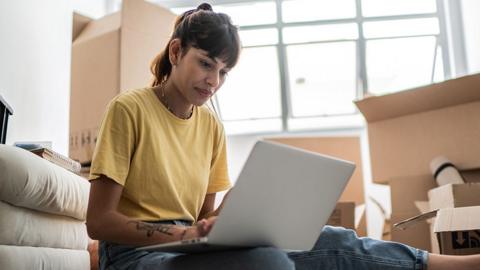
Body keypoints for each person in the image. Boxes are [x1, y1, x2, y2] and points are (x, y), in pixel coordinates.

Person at [86, 3, 480, 270]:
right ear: (176, 52)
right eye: (205, 63)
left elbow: (203, 219)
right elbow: (99, 222)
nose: (214, 81)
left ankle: (452, 265)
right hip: (132, 255)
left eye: (224, 72)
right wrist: (187, 232)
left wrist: (234, 214)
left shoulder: (210, 128)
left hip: (185, 245)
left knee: (332, 239)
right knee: (267, 262)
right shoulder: (129, 109)